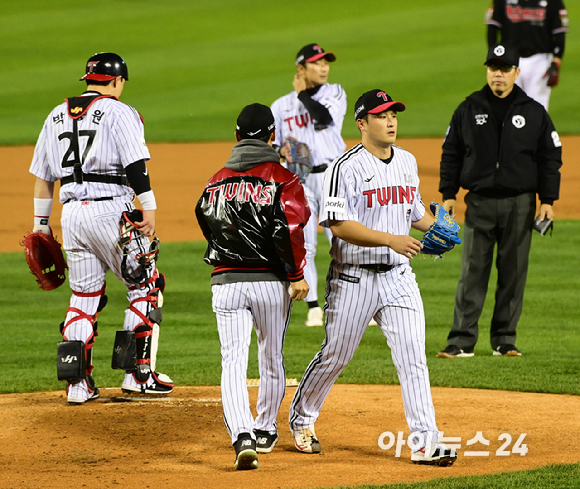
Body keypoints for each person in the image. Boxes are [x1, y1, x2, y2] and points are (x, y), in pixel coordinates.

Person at [288, 89, 457, 467]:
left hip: (398, 277)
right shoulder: (344, 167)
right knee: (336, 355)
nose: (391, 121)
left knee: (413, 356)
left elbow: (413, 212)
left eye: (394, 113)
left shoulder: (408, 162)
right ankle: (301, 419)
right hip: (352, 279)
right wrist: (391, 239)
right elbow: (338, 225)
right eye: (381, 115)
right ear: (362, 123)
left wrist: (438, 229)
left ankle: (425, 441)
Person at [29, 52, 174, 404]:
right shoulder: (119, 111)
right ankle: (137, 375)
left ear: (89, 79)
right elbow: (136, 164)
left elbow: (43, 178)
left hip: (72, 215)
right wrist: (150, 207)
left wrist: (41, 226)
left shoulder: (56, 114)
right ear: (117, 81)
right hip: (112, 210)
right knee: (146, 284)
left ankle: (77, 386)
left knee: (83, 296)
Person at [195, 103, 311, 470]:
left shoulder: (215, 179)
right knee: (270, 355)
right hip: (270, 283)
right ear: (272, 136)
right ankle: (264, 430)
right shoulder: (284, 178)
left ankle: (241, 436)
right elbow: (290, 229)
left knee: (232, 361)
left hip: (225, 283)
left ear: (236, 136)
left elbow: (205, 220)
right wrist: (296, 275)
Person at [437, 44, 562, 359]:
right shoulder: (468, 108)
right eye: (494, 68)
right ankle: (462, 341)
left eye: (505, 69)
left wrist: (548, 199)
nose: (499, 75)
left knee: (514, 273)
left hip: (520, 204)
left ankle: (504, 341)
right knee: (472, 272)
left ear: (516, 73)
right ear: (487, 71)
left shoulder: (534, 112)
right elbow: (451, 152)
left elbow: (550, 158)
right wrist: (448, 194)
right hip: (478, 203)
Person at [271, 43, 347, 327]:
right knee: (307, 245)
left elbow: (324, 118)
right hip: (299, 182)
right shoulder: (280, 106)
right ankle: (314, 307)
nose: (324, 67)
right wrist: (281, 153)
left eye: (326, 62)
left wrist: (303, 93)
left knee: (341, 241)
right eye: (317, 63)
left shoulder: (335, 93)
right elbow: (272, 146)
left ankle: (348, 302)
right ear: (301, 68)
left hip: (331, 177)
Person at [485, 0, 569, 110]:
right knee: (507, 108)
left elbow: (559, 34)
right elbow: (492, 28)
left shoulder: (553, 2)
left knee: (537, 109)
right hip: (509, 62)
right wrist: (495, 58)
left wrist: (556, 60)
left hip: (540, 61)